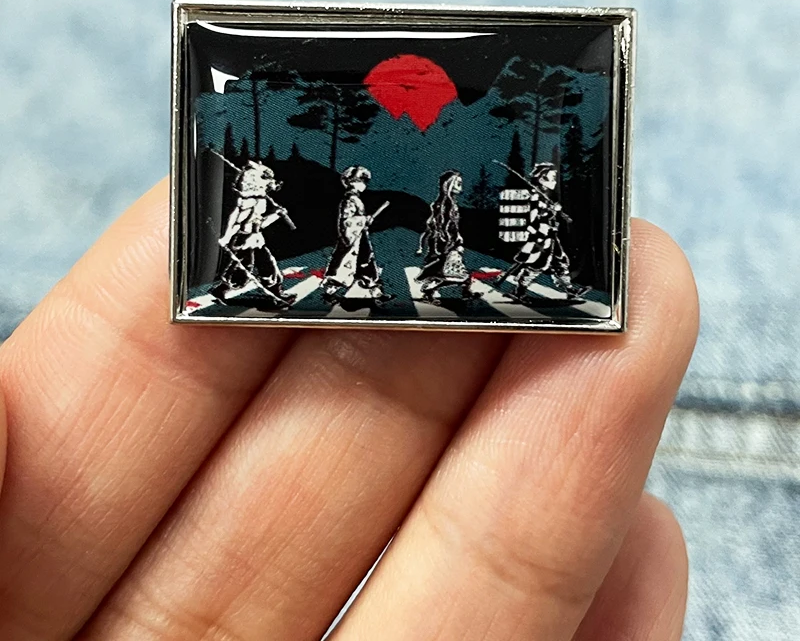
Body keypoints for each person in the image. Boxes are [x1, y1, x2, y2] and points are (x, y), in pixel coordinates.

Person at [0, 180, 698, 640]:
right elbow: (305, 218)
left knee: (360, 265)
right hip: (296, 253)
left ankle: (369, 279)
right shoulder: (326, 206)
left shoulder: (421, 205)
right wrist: (307, 219)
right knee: (304, 265)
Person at [210, 160, 296, 307]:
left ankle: (222, 289)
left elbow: (259, 224)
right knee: (253, 266)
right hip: (245, 239)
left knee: (255, 265)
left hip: (254, 238)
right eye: (267, 180)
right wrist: (227, 237)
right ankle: (276, 294)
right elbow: (239, 222)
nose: (271, 184)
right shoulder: (249, 201)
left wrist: (276, 215)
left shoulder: (258, 200)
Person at [506, 161, 589, 302]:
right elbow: (532, 219)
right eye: (552, 177)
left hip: (550, 235)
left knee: (559, 261)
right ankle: (519, 291)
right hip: (541, 237)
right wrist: (548, 213)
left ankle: (570, 290)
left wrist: (552, 211)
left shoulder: (545, 196)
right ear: (542, 178)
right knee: (537, 264)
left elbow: (545, 215)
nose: (555, 181)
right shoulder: (534, 196)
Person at [322, 165, 392, 305]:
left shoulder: (355, 199)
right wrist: (364, 220)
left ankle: (377, 293)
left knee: (367, 263)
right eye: (359, 181)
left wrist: (364, 220)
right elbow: (346, 221)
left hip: (360, 237)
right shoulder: (349, 200)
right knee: (344, 266)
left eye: (364, 181)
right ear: (350, 182)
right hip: (353, 239)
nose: (363, 184)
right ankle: (329, 293)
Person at [416, 170, 474, 303]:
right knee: (453, 273)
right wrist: (454, 242)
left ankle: (465, 292)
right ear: (449, 184)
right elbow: (444, 226)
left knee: (453, 272)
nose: (461, 187)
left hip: (447, 243)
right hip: (447, 244)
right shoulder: (446, 204)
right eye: (458, 183)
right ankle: (430, 290)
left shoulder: (448, 203)